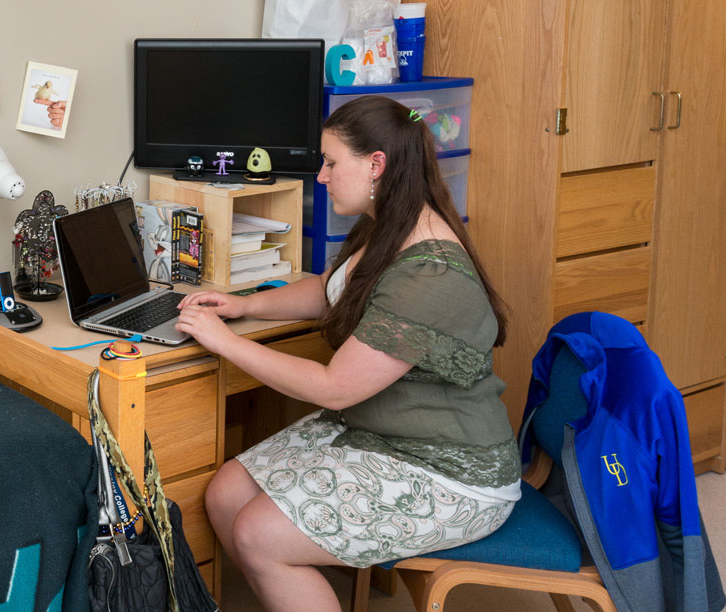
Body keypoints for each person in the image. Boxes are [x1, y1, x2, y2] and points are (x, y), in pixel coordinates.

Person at [176, 95, 518, 612]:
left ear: (376, 164)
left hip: (450, 470)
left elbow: (335, 385)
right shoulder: (389, 222)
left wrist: (223, 342)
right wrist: (243, 306)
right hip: (381, 431)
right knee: (225, 495)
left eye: (331, 162)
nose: (320, 176)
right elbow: (330, 288)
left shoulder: (430, 274)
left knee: (259, 535)